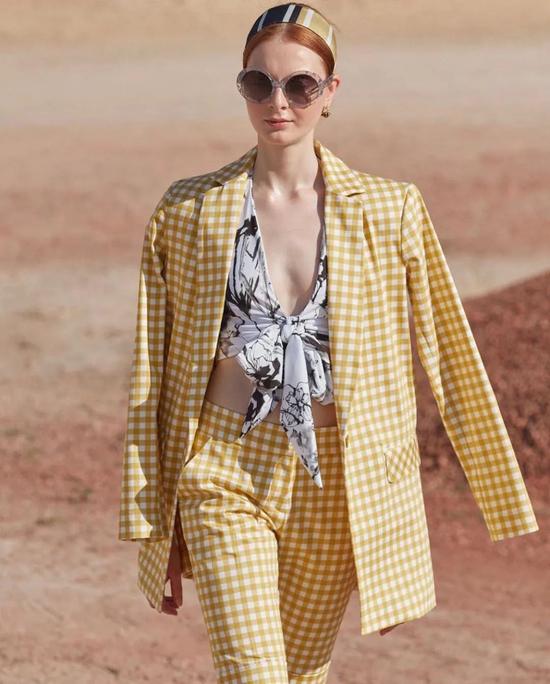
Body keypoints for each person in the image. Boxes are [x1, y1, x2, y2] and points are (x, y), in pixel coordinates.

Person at [118, 3, 539, 682]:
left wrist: (449, 520)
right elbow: (152, 373)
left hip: (338, 483)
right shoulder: (187, 210)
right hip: (224, 469)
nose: (278, 102)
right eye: (258, 84)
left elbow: (449, 350)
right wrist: (154, 519)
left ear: (331, 90)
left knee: (299, 677)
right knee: (254, 676)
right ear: (242, 86)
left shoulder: (389, 209)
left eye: (300, 85)